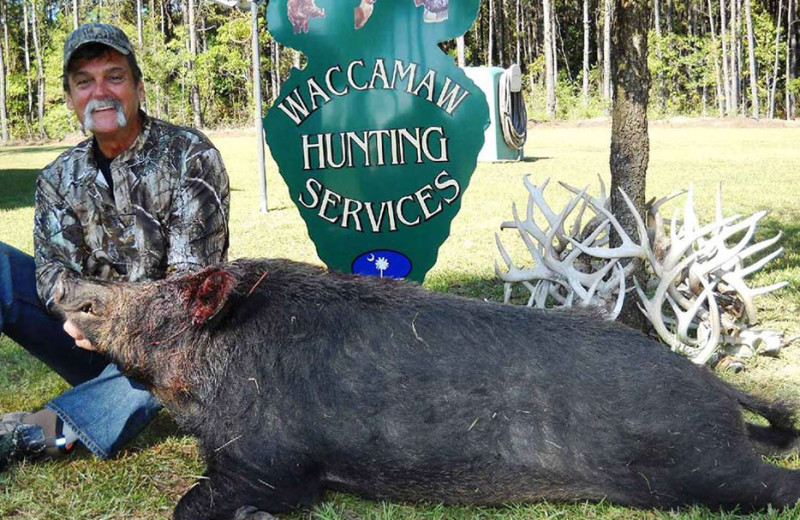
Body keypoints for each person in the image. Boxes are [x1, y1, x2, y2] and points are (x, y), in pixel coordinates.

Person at [0, 23, 230, 467]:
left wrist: (110, 321)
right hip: (86, 338)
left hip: (165, 347)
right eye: (84, 82)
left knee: (180, 346)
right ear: (70, 98)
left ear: (139, 87)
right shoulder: (57, 177)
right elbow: (52, 273)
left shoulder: (190, 155)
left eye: (114, 76)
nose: (99, 92)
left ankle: (38, 434)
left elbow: (189, 287)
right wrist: (78, 318)